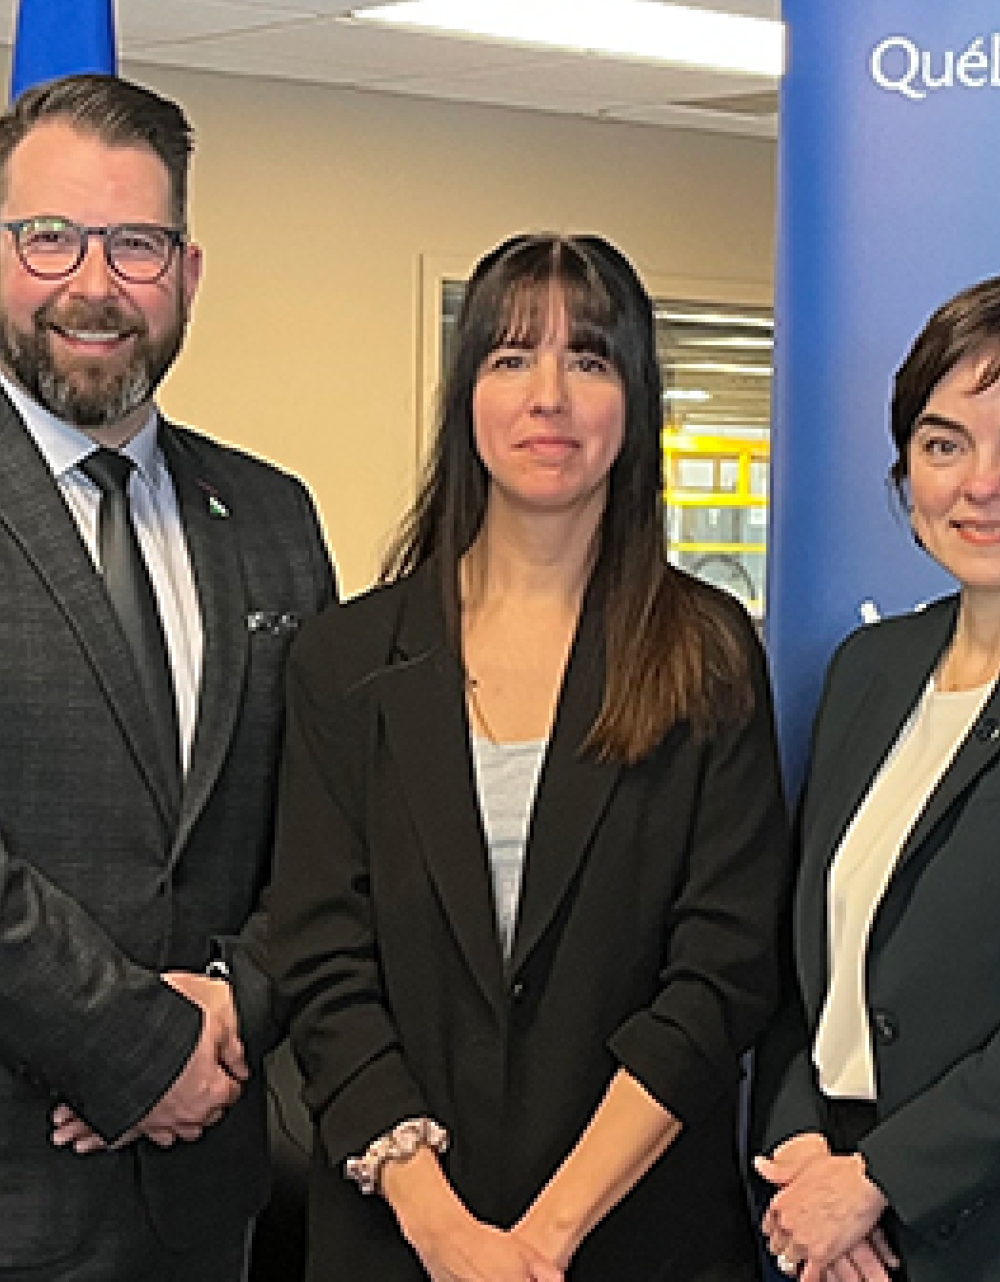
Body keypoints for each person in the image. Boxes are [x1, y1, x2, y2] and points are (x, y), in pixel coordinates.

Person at [268, 232, 790, 1281]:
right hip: (397, 1238)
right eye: (512, 357)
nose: (548, 395)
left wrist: (543, 1238)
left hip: (636, 1239)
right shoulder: (346, 658)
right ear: (467, 394)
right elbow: (323, 961)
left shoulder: (707, 653)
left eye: (588, 359)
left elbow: (720, 974)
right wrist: (444, 1232)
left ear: (633, 399)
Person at [0, 74, 335, 1280]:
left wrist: (237, 1001)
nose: (94, 284)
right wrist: (137, 1050)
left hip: (205, 1199)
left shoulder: (273, 518)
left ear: (187, 273)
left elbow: (329, 828)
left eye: (135, 243)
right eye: (50, 237)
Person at [752, 275, 1000, 1282]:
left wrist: (882, 1179)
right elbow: (799, 964)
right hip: (827, 1223)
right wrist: (804, 1147)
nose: (980, 483)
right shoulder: (871, 670)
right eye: (945, 444)